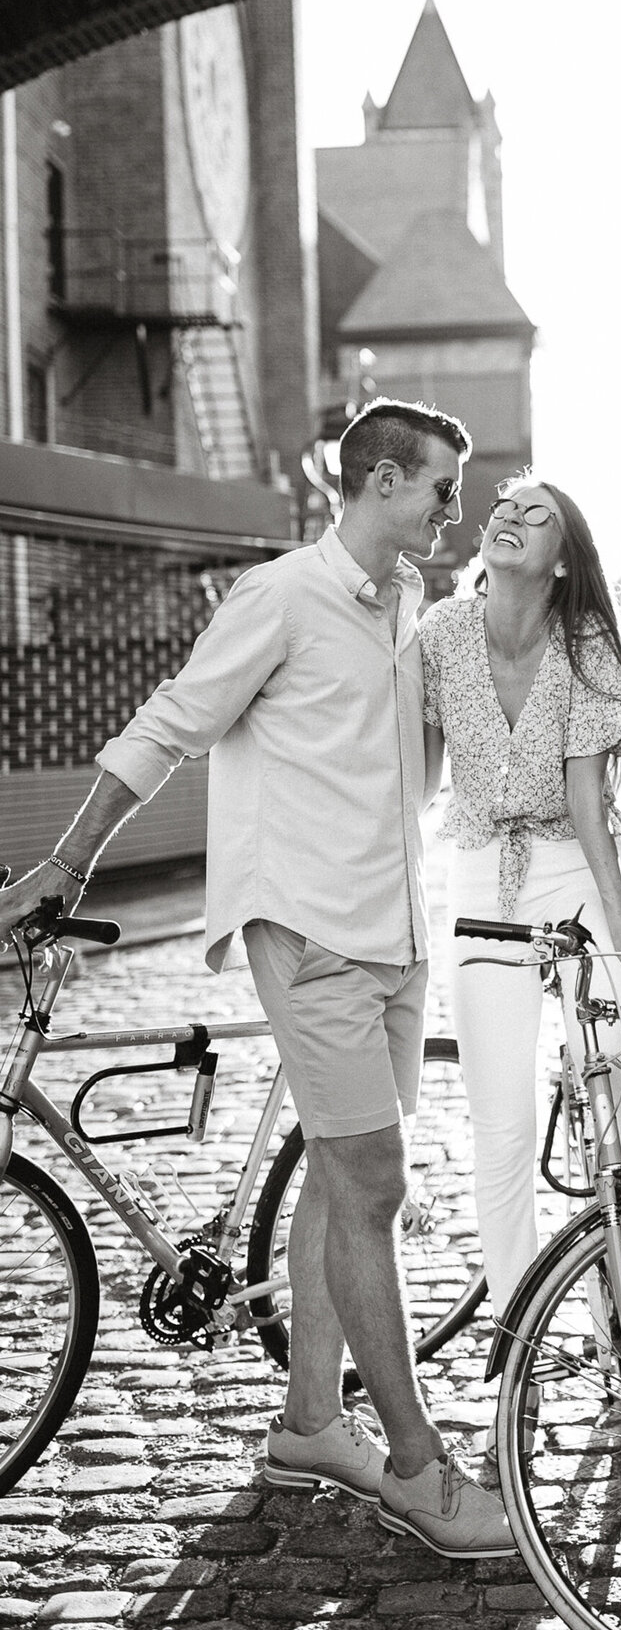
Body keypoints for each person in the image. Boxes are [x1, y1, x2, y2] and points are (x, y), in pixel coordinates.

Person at [0, 399, 515, 1560]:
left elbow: (413, 777)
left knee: (337, 1189)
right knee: (374, 1185)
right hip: (307, 925)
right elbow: (169, 726)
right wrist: (66, 860)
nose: (453, 510)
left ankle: (309, 1426)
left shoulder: (411, 606)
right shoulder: (280, 595)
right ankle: (420, 1472)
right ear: (382, 482)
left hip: (394, 930)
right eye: (441, 488)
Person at [421, 473, 621, 1454]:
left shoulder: (586, 641)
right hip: (478, 882)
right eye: (504, 507)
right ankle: (522, 1333)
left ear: (562, 554)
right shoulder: (438, 636)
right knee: (504, 1124)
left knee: (614, 1065)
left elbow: (588, 805)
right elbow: (412, 776)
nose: (510, 518)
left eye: (538, 514)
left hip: (568, 866)